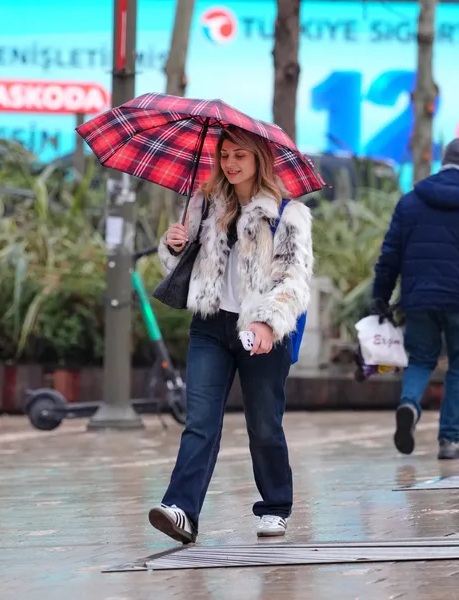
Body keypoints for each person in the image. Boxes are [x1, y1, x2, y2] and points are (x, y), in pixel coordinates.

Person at [148, 126, 313, 544]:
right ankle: (181, 509)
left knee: (263, 424)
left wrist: (267, 323)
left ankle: (275, 506)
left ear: (259, 159)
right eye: (224, 155)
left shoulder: (287, 214)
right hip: (210, 325)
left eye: (240, 154)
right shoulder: (204, 204)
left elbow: (294, 281)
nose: (231, 163)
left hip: (263, 332)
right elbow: (178, 269)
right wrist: (172, 245)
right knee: (199, 421)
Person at [370, 138, 459, 459]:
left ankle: (409, 405)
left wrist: (380, 295)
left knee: (420, 359)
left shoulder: (411, 202)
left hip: (419, 300)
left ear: (442, 162)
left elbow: (389, 255)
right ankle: (449, 442)